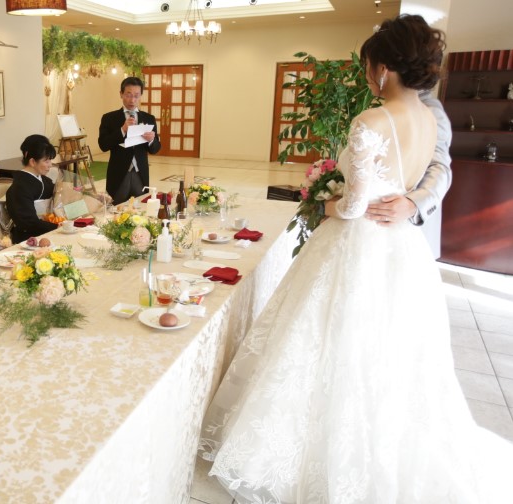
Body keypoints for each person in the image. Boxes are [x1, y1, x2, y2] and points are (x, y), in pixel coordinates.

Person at [198, 15, 512, 503]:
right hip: (400, 247)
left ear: (382, 68)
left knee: (329, 335)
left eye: (368, 65)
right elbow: (420, 172)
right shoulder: (430, 118)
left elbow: (352, 205)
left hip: (356, 242)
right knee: (382, 343)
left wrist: (318, 204)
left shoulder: (371, 120)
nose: (366, 74)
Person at [364, 89, 452, 258]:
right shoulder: (384, 108)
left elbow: (439, 167)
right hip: (376, 221)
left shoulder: (430, 111)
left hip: (405, 221)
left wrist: (414, 204)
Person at [98, 76, 161, 204]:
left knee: (141, 209)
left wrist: (151, 140)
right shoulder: (109, 118)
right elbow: (103, 145)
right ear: (121, 94)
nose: (132, 100)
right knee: (116, 209)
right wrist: (122, 130)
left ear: (141, 95)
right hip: (118, 173)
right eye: (128, 95)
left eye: (136, 95)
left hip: (140, 173)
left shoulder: (149, 118)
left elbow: (155, 148)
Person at [5, 134, 58, 243]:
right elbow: (28, 223)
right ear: (33, 162)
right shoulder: (19, 187)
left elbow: (59, 197)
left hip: (48, 231)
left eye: (50, 160)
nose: (50, 165)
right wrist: (57, 227)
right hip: (29, 239)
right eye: (46, 161)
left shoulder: (44, 181)